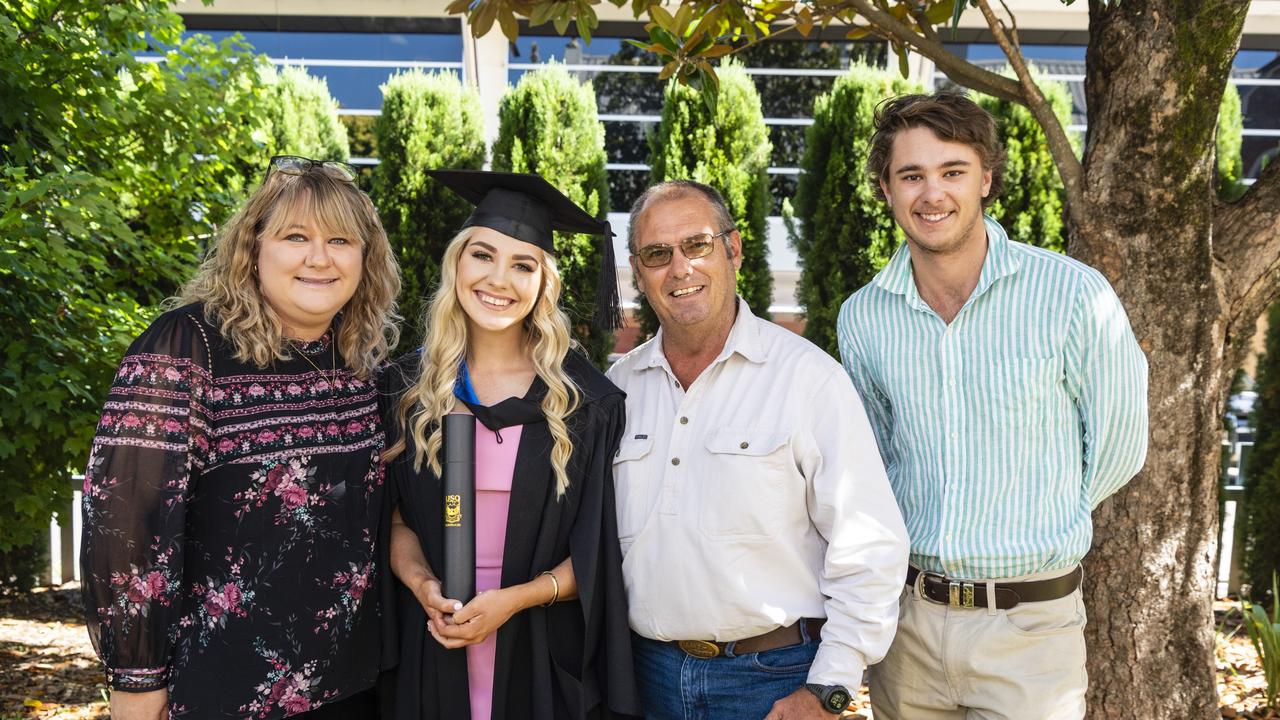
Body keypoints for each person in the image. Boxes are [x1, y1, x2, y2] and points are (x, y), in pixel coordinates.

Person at [837, 92, 1149, 719]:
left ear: (986, 177)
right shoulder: (863, 317)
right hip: (909, 630)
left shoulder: (1072, 296)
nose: (933, 194)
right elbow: (874, 462)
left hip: (1030, 632)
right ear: (885, 188)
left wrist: (1037, 512)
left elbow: (1119, 446)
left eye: (952, 171)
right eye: (911, 175)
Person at [81, 156, 401, 719]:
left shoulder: (364, 367)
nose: (319, 258)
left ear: (365, 258)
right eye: (295, 236)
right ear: (253, 248)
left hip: (351, 688)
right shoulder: (185, 348)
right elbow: (127, 521)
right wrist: (135, 679)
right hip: (216, 691)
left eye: (341, 240)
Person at [606, 180, 909, 720]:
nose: (680, 268)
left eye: (697, 245)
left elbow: (870, 546)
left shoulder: (808, 380)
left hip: (772, 681)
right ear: (638, 270)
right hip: (645, 678)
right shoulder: (620, 388)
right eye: (658, 254)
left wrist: (829, 688)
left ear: (734, 249)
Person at [379, 170, 640, 720]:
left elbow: (598, 555)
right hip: (433, 645)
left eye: (523, 265)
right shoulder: (406, 392)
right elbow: (397, 521)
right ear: (457, 264)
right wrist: (422, 583)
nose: (499, 280)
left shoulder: (586, 405)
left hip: (540, 658)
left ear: (544, 284)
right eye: (482, 255)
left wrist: (514, 600)